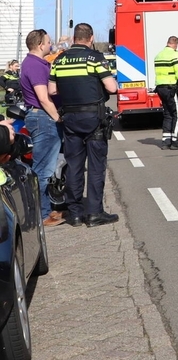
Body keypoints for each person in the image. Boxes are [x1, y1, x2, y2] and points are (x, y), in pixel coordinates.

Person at [48, 23, 118, 227]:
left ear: (74, 38)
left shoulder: (59, 60)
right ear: (91, 37)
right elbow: (111, 88)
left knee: (74, 167)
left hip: (70, 119)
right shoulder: (94, 58)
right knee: (96, 167)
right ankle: (95, 213)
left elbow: (52, 90)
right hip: (93, 120)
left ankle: (75, 213)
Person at [20, 29, 66, 226]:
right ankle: (43, 215)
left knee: (44, 168)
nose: (50, 44)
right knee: (43, 170)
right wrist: (57, 117)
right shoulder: (35, 65)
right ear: (40, 45)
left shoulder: (34, 63)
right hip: (43, 118)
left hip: (41, 117)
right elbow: (43, 97)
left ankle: (45, 211)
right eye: (48, 42)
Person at [153, 36, 178, 149]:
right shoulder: (175, 55)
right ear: (175, 44)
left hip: (161, 88)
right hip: (172, 88)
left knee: (168, 114)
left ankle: (166, 141)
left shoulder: (159, 55)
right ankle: (176, 141)